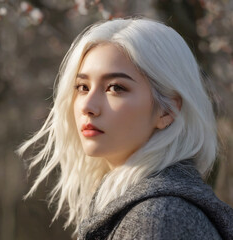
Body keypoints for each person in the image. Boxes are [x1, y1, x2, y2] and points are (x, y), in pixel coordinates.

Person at [17, 18, 233, 239]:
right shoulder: (146, 209)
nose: (88, 107)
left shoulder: (159, 220)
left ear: (167, 111)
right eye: (83, 87)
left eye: (115, 88)